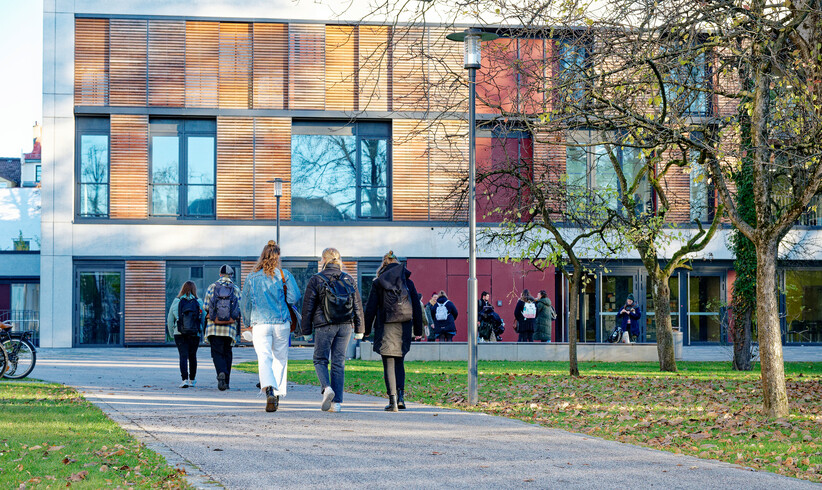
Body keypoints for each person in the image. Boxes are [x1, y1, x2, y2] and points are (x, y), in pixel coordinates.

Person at [300, 248, 364, 413]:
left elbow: (308, 307)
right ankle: (336, 404)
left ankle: (326, 388)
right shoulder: (348, 279)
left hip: (324, 325)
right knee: (338, 362)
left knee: (320, 359)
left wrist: (306, 331)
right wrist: (360, 329)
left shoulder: (317, 279)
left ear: (323, 260)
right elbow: (357, 305)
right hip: (345, 325)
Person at [241, 240, 301, 412]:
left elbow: (245, 304)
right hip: (281, 322)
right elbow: (294, 297)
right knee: (280, 359)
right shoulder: (284, 275)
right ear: (277, 257)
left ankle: (269, 391)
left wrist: (247, 322)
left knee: (264, 358)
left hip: (260, 324)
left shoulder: (252, 278)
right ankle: (278, 393)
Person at [364, 251, 423, 412]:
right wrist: (418, 330)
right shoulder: (408, 282)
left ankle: (393, 401)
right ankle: (402, 397)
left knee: (388, 362)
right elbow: (417, 307)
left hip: (386, 326)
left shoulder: (378, 282)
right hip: (404, 326)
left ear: (383, 265)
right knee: (399, 362)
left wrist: (365, 330)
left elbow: (370, 307)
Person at [203, 264, 241, 391]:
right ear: (231, 275)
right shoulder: (235, 288)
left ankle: (221, 372)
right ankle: (227, 382)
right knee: (227, 353)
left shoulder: (212, 287)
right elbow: (239, 306)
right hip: (229, 328)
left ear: (219, 274)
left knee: (217, 353)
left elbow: (206, 306)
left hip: (214, 327)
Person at [167, 281, 204, 388]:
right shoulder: (199, 301)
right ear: (194, 290)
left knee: (183, 356)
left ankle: (184, 380)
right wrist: (201, 331)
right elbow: (202, 319)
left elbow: (170, 319)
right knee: (193, 356)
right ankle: (192, 380)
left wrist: (171, 333)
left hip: (179, 333)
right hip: (194, 333)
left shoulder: (176, 301)